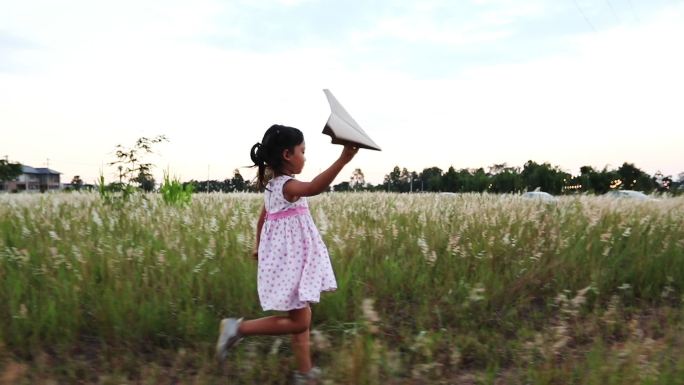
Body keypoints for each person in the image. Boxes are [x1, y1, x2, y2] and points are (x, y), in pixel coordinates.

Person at [216, 124, 358, 383]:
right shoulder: (286, 186)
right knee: (300, 322)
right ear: (287, 155)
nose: (305, 156)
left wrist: (258, 246)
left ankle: (304, 373)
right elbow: (315, 186)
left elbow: (262, 219)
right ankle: (237, 328)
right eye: (302, 151)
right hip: (291, 261)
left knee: (301, 315)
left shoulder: (273, 187)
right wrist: (344, 159)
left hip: (288, 260)